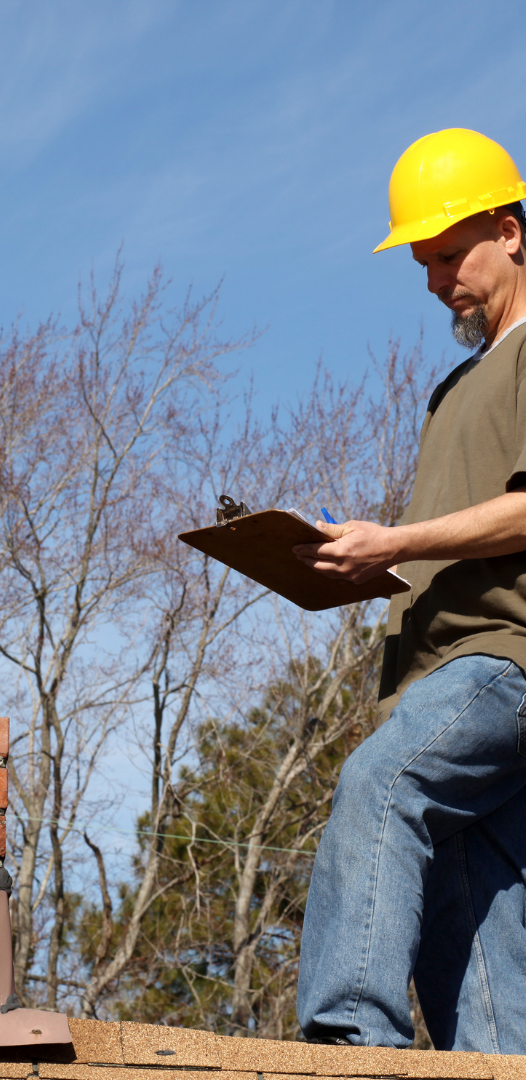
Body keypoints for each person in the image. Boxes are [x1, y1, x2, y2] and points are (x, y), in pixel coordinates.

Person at [292, 129, 526, 1053]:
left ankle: (350, 1041)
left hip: (502, 664)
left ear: (511, 230)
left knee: (381, 786)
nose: (434, 283)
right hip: (436, 677)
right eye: (422, 264)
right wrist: (355, 564)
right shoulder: (453, 390)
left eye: (446, 255)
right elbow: (453, 546)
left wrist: (396, 538)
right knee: (470, 903)